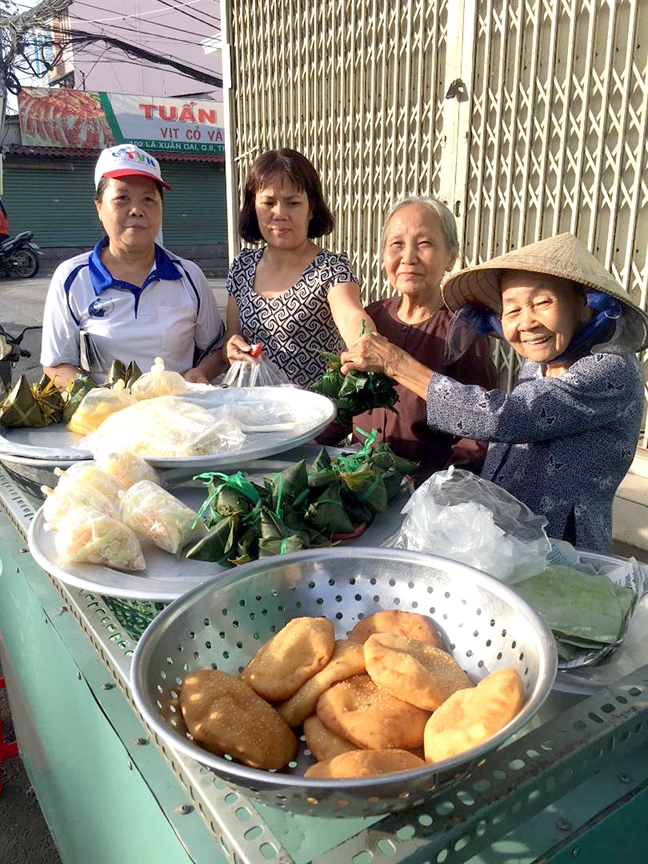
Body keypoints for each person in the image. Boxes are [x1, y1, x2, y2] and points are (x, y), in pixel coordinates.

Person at [340, 233, 647, 551]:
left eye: (542, 303)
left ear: (584, 307)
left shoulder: (610, 369)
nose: (527, 323)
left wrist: (396, 363)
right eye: (512, 311)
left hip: (562, 545)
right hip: (506, 538)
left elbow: (508, 417)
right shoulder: (538, 362)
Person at [41, 144, 225, 386]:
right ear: (99, 208)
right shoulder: (71, 278)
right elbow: (56, 363)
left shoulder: (188, 276)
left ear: (161, 209)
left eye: (148, 199)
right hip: (105, 418)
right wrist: (100, 399)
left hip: (177, 412)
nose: (136, 210)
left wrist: (200, 374)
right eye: (122, 199)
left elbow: (216, 350)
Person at [348, 197, 497, 478]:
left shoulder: (463, 331)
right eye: (397, 244)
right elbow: (345, 401)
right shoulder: (372, 318)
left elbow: (479, 430)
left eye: (424, 244)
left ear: (451, 256)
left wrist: (440, 484)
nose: (408, 258)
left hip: (422, 493)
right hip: (357, 481)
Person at [224, 148, 375, 388]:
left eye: (293, 203)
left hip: (314, 417)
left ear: (311, 208)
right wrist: (232, 348)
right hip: (251, 411)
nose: (280, 213)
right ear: (254, 207)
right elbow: (233, 335)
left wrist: (365, 341)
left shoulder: (331, 270)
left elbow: (351, 315)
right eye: (268, 202)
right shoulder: (242, 265)